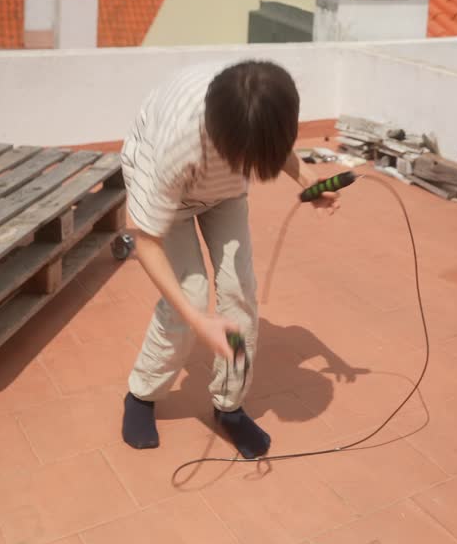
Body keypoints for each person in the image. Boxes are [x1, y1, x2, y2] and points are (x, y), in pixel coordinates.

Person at [119, 59, 336, 457]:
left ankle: (228, 406)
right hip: (170, 194)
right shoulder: (177, 143)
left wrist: (307, 178)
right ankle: (141, 395)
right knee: (190, 294)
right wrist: (197, 320)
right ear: (227, 140)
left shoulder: (255, 101)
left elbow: (273, 138)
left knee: (240, 294)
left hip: (222, 191)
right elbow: (146, 242)